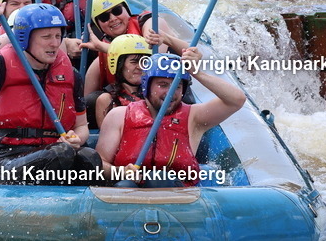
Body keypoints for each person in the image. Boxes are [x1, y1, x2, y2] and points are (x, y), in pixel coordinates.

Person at [0, 0, 102, 184]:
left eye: (57, 36)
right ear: (24, 38)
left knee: (89, 157)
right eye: (46, 37)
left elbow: (81, 126)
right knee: (60, 153)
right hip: (4, 158)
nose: (54, 43)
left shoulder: (71, 75)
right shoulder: (1, 65)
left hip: (53, 151)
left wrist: (76, 138)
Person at [96, 52, 246, 187]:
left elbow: (236, 100)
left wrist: (196, 72)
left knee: (159, 179)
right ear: (147, 86)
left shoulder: (194, 117)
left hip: (177, 199)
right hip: (130, 192)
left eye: (177, 86)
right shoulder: (119, 115)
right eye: (162, 85)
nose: (170, 93)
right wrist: (120, 172)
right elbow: (100, 164)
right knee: (125, 185)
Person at [82, 0, 188, 95]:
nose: (113, 18)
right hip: (133, 102)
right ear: (98, 25)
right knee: (92, 99)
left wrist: (104, 47)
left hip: (168, 92)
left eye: (117, 11)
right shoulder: (102, 51)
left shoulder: (149, 23)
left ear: (126, 9)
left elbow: (149, 57)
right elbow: (86, 98)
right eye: (104, 17)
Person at [86, 33, 151, 129]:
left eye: (144, 61)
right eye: (134, 62)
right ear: (118, 65)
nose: (140, 66)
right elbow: (108, 138)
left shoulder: (153, 95)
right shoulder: (106, 99)